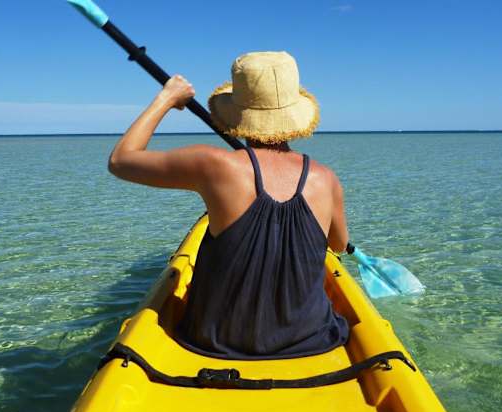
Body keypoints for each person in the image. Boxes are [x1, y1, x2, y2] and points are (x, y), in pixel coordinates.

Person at [108, 51, 349, 359]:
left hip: (216, 341)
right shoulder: (326, 179)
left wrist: (167, 98)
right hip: (311, 339)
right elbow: (338, 245)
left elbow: (120, 160)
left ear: (236, 111)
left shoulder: (214, 165)